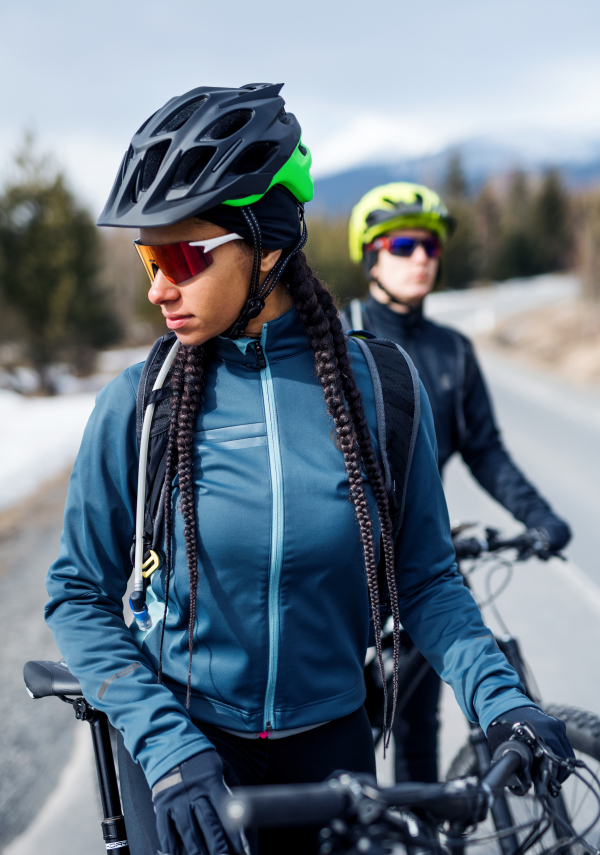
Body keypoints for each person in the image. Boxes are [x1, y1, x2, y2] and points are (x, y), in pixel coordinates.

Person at [45, 87, 572, 855]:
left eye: (183, 256)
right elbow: (78, 594)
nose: (158, 286)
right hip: (185, 754)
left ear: (265, 247)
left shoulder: (382, 390)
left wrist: (501, 699)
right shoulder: (140, 403)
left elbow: (425, 578)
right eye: (147, 257)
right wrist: (167, 747)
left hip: (331, 751)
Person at [343, 181, 572, 785]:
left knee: (420, 726)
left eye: (431, 246)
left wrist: (539, 517)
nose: (421, 257)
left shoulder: (453, 351)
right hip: (348, 566)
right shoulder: (335, 341)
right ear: (370, 254)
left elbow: (486, 450)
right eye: (403, 244)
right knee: (347, 724)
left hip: (423, 557)